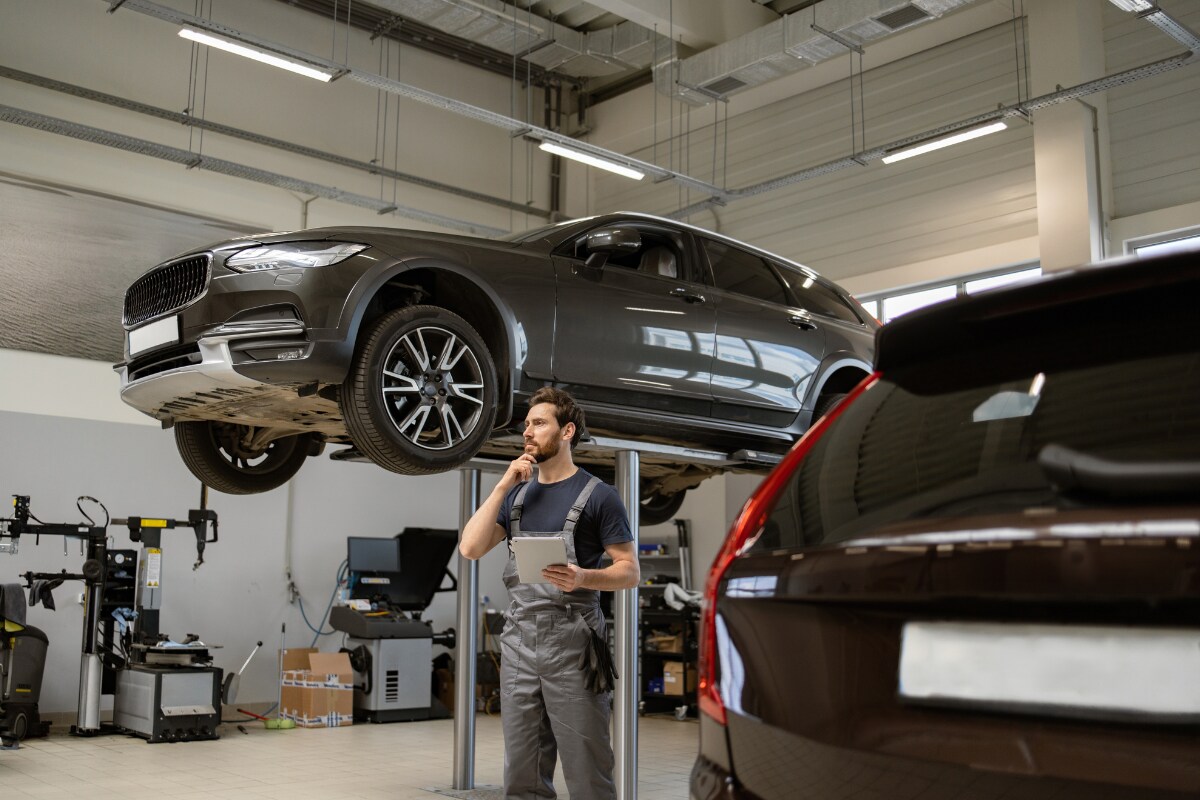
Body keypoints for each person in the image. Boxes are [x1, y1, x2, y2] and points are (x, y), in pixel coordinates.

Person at [460, 386, 640, 800]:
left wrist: (583, 578)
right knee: (521, 772)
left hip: (573, 643)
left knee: (586, 768)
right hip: (520, 641)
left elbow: (629, 571)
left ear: (567, 431)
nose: (528, 432)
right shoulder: (518, 495)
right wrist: (503, 485)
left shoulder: (599, 496)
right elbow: (470, 548)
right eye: (527, 425)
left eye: (539, 423)